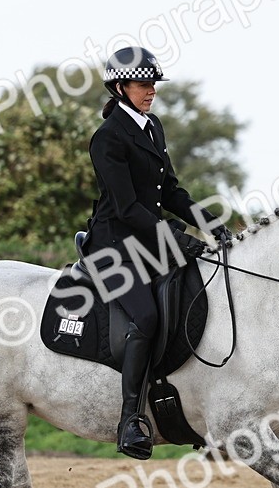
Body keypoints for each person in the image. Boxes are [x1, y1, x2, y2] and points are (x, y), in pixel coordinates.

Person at [81, 46, 232, 460]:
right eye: (143, 84)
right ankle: (130, 420)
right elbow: (128, 208)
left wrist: (212, 224)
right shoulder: (107, 138)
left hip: (148, 240)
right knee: (146, 317)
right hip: (113, 247)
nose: (151, 91)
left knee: (197, 289)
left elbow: (171, 192)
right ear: (119, 88)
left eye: (153, 84)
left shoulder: (152, 127)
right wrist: (176, 239)